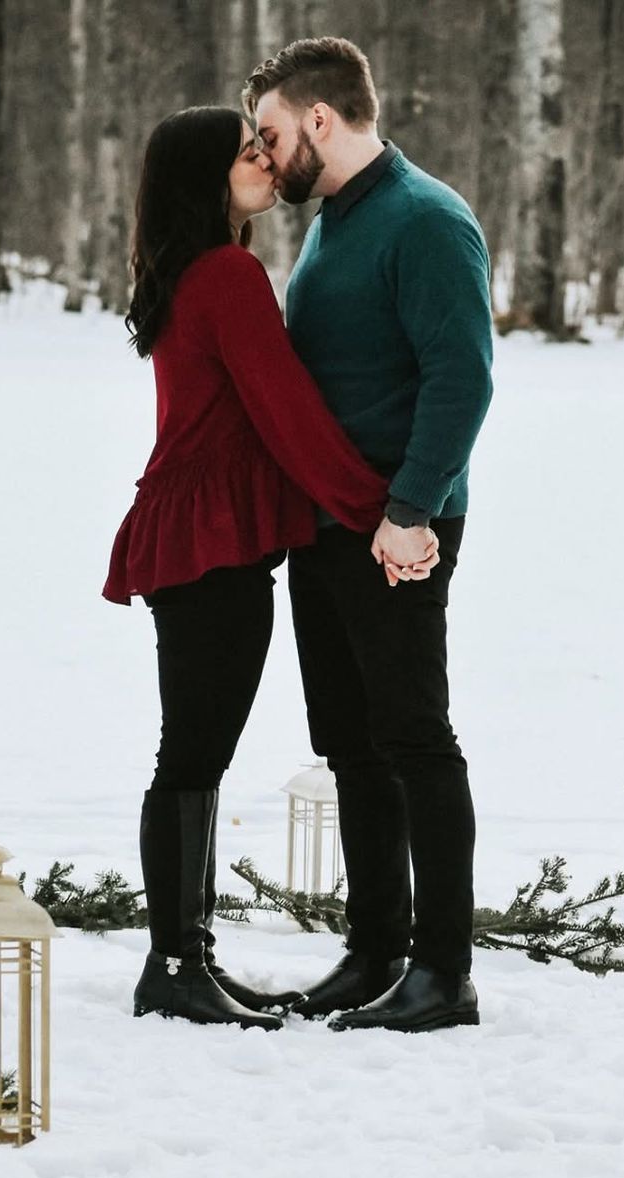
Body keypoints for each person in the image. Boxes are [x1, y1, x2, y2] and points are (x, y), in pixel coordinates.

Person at [103, 105, 437, 1031]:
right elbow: (291, 417)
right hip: (211, 541)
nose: (265, 161)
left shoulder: (189, 270)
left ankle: (185, 958)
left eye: (263, 145)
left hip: (197, 534)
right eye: (247, 153)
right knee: (192, 753)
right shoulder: (228, 274)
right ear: (205, 177)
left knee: (192, 750)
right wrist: (386, 514)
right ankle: (174, 965)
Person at [245, 38, 494, 1033]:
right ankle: (377, 948)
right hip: (330, 521)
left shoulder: (427, 220)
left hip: (399, 525)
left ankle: (444, 971)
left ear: (320, 119)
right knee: (351, 744)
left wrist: (409, 510)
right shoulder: (336, 222)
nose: (264, 156)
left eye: (269, 132)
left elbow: (462, 376)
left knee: (414, 739)